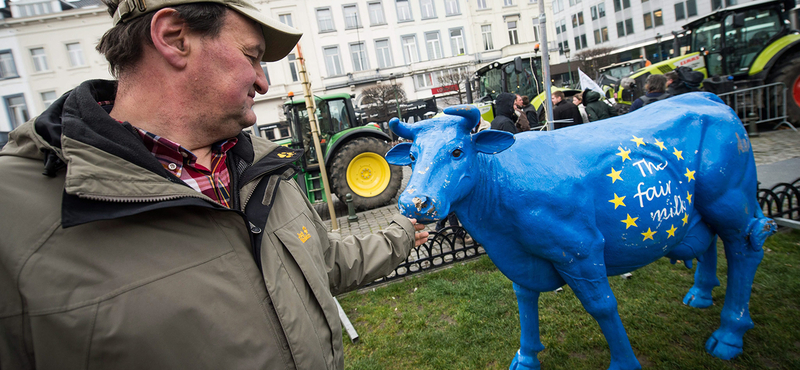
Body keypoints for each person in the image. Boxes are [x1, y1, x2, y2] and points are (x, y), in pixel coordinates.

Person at [0, 1, 429, 368]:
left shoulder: (264, 168)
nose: (264, 82)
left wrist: (403, 234)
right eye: (252, 55)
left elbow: (327, 261)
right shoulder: (12, 215)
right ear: (173, 37)